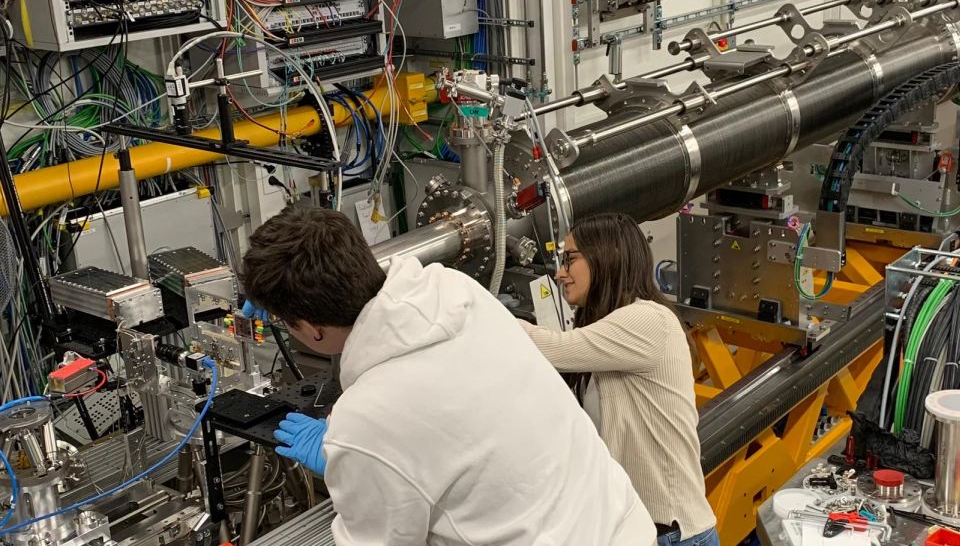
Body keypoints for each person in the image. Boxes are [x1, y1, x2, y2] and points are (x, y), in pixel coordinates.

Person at [241, 205, 655, 546]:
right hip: (622, 525)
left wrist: (351, 453)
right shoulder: (455, 292)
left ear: (311, 329)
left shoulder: (366, 419)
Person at [520, 213, 719, 546]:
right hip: (637, 530)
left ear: (605, 256)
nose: (559, 273)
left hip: (673, 535)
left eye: (570, 259)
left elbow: (554, 348)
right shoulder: (611, 332)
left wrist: (481, 309)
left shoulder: (648, 319)